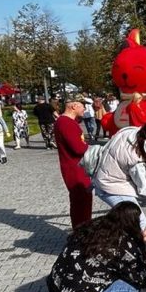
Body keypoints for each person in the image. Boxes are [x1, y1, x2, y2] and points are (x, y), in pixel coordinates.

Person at [93, 121, 146, 230]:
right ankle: (123, 244)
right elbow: (143, 188)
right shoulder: (135, 158)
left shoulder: (133, 131)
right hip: (111, 186)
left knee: (126, 221)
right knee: (138, 220)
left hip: (106, 175)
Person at [53, 94, 93, 229]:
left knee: (82, 202)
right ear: (74, 106)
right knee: (81, 203)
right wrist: (92, 149)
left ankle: (82, 230)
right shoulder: (66, 123)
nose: (85, 109)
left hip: (77, 168)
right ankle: (81, 232)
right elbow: (78, 148)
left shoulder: (68, 122)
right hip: (75, 169)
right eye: (83, 106)